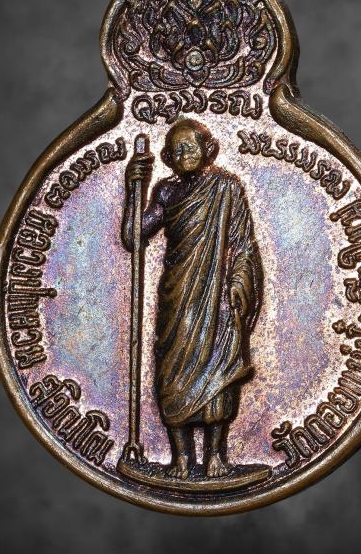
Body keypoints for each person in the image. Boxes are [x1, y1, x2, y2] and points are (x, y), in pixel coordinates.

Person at [122, 118, 263, 479]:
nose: (185, 153)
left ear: (208, 149)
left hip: (217, 293)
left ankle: (216, 456)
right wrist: (133, 189)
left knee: (219, 368)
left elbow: (243, 243)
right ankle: (181, 459)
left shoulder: (227, 188)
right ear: (168, 157)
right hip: (178, 294)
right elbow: (134, 237)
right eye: (177, 149)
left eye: (191, 146)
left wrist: (239, 283)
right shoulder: (167, 192)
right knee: (172, 372)